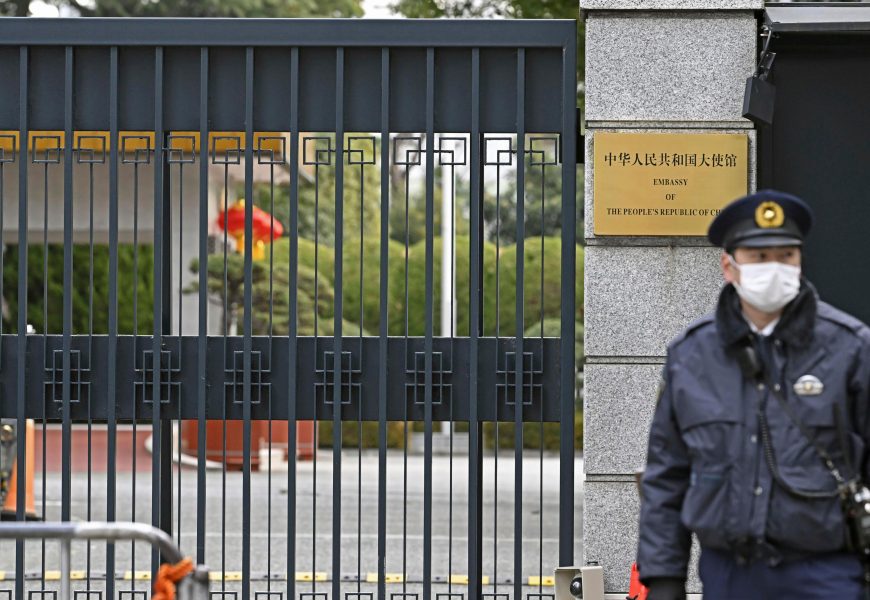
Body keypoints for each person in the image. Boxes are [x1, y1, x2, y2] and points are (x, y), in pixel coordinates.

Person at [636, 190, 870, 600]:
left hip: (827, 573)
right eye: (759, 257)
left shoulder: (850, 348)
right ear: (729, 266)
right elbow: (667, 475)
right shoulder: (691, 355)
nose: (774, 268)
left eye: (786, 256)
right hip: (730, 575)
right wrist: (664, 578)